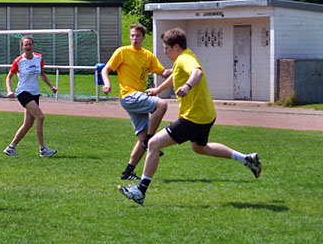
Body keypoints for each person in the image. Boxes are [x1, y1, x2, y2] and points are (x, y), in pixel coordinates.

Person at [118, 28, 262, 205]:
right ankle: (247, 159)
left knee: (153, 144)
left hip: (193, 117)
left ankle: (140, 191)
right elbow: (175, 76)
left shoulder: (185, 59)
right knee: (200, 148)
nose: (164, 52)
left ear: (176, 47)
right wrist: (158, 89)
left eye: (166, 48)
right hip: (206, 115)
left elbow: (197, 72)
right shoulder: (183, 58)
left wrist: (187, 86)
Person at [101, 23, 172, 181]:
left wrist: (178, 68)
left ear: (143, 37)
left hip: (137, 97)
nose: (134, 38)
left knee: (142, 139)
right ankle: (150, 139)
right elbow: (105, 69)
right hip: (129, 96)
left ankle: (128, 172)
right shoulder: (122, 52)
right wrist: (107, 83)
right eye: (132, 35)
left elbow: (163, 72)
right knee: (162, 104)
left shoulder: (148, 55)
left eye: (137, 36)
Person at [3, 36, 58, 157]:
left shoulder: (38, 58)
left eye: (30, 44)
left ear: (33, 45)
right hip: (23, 93)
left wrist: (51, 86)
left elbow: (41, 73)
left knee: (28, 123)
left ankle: (11, 148)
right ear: (22, 47)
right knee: (40, 117)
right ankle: (43, 149)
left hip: (34, 93)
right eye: (25, 45)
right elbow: (9, 77)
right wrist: (9, 90)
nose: (28, 47)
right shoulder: (18, 61)